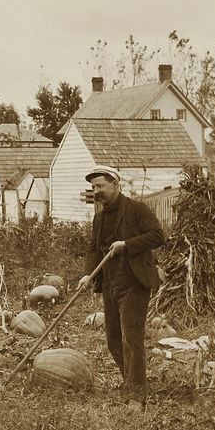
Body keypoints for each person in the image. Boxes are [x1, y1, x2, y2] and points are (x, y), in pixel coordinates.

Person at [77, 166, 164, 412]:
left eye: (101, 186)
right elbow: (93, 248)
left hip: (134, 283)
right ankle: (131, 381)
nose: (97, 191)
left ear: (116, 184)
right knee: (113, 339)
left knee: (131, 338)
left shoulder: (137, 210)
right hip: (110, 283)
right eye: (94, 187)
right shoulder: (99, 217)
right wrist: (87, 274)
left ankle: (136, 396)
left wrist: (126, 244)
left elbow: (158, 236)